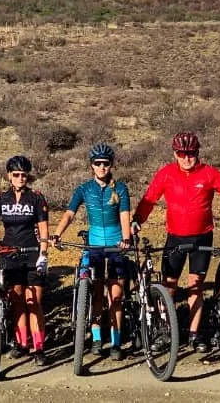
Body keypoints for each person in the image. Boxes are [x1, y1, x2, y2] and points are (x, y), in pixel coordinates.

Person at [134, 132, 220, 353]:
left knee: (196, 285)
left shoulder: (208, 173)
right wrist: (136, 221)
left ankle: (194, 334)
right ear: (175, 153)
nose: (186, 158)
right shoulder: (166, 173)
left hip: (202, 236)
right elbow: (149, 199)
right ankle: (165, 332)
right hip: (175, 237)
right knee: (169, 286)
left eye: (190, 153)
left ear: (197, 152)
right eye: (181, 153)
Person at [51, 142, 133, 361]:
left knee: (115, 296)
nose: (102, 167)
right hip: (95, 245)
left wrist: (126, 238)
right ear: (92, 166)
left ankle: (116, 341)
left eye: (106, 163)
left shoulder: (121, 188)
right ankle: (97, 337)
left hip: (116, 244)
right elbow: (69, 214)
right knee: (96, 293)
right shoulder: (84, 189)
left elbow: (125, 215)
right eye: (97, 163)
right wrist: (57, 234)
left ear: (111, 165)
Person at [0, 155, 52, 366]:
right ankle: (21, 343)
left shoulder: (36, 198)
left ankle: (39, 347)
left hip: (32, 252)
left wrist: (43, 253)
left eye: (24, 175)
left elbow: (43, 227)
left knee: (33, 301)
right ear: (9, 176)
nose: (20, 178)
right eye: (16, 175)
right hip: (9, 252)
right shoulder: (1, 198)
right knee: (16, 300)